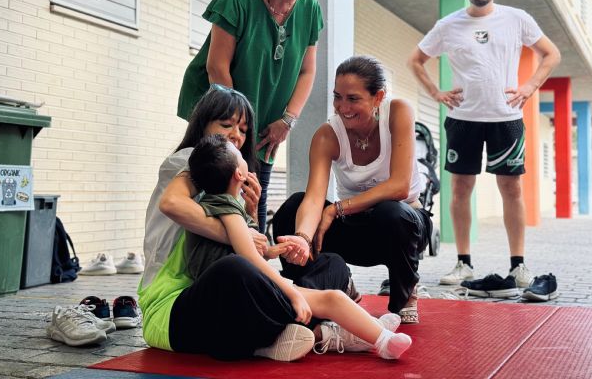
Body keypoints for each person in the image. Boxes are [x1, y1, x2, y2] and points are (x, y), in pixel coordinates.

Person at [139, 86, 351, 362]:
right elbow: (172, 204)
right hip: (172, 313)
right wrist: (241, 237)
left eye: (243, 129)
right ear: (203, 126)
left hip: (225, 309)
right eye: (226, 124)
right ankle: (323, 325)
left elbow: (252, 254)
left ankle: (287, 329)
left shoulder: (230, 182)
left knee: (331, 264)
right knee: (233, 269)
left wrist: (250, 217)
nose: (236, 135)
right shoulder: (191, 160)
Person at [186, 134, 412, 360]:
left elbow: (247, 250)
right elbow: (249, 258)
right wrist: (292, 293)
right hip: (242, 298)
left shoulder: (216, 204)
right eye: (237, 153)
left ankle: (370, 333)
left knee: (331, 277)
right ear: (239, 173)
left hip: (241, 293)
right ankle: (378, 337)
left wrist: (274, 249)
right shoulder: (227, 208)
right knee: (331, 299)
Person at [408, 0, 561, 292]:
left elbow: (551, 54)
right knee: (461, 189)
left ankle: (518, 266)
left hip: (505, 118)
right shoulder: (448, 25)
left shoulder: (516, 19)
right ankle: (463, 263)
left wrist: (529, 86)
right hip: (463, 118)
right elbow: (415, 60)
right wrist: (435, 92)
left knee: (512, 189)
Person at [177, 0, 324, 233]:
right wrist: (238, 128)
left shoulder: (309, 9)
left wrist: (287, 119)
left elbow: (307, 71)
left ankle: (251, 258)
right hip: (222, 108)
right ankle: (203, 262)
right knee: (213, 187)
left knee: (255, 188)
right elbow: (217, 67)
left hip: (269, 113)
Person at [272, 55, 433, 324]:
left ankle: (404, 294)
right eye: (338, 97)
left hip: (404, 228)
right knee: (292, 208)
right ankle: (326, 287)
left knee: (391, 212)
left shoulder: (398, 112)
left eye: (353, 99)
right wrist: (301, 237)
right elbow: (312, 199)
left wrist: (336, 208)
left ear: (378, 96)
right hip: (356, 229)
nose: (342, 107)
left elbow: (399, 186)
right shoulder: (327, 134)